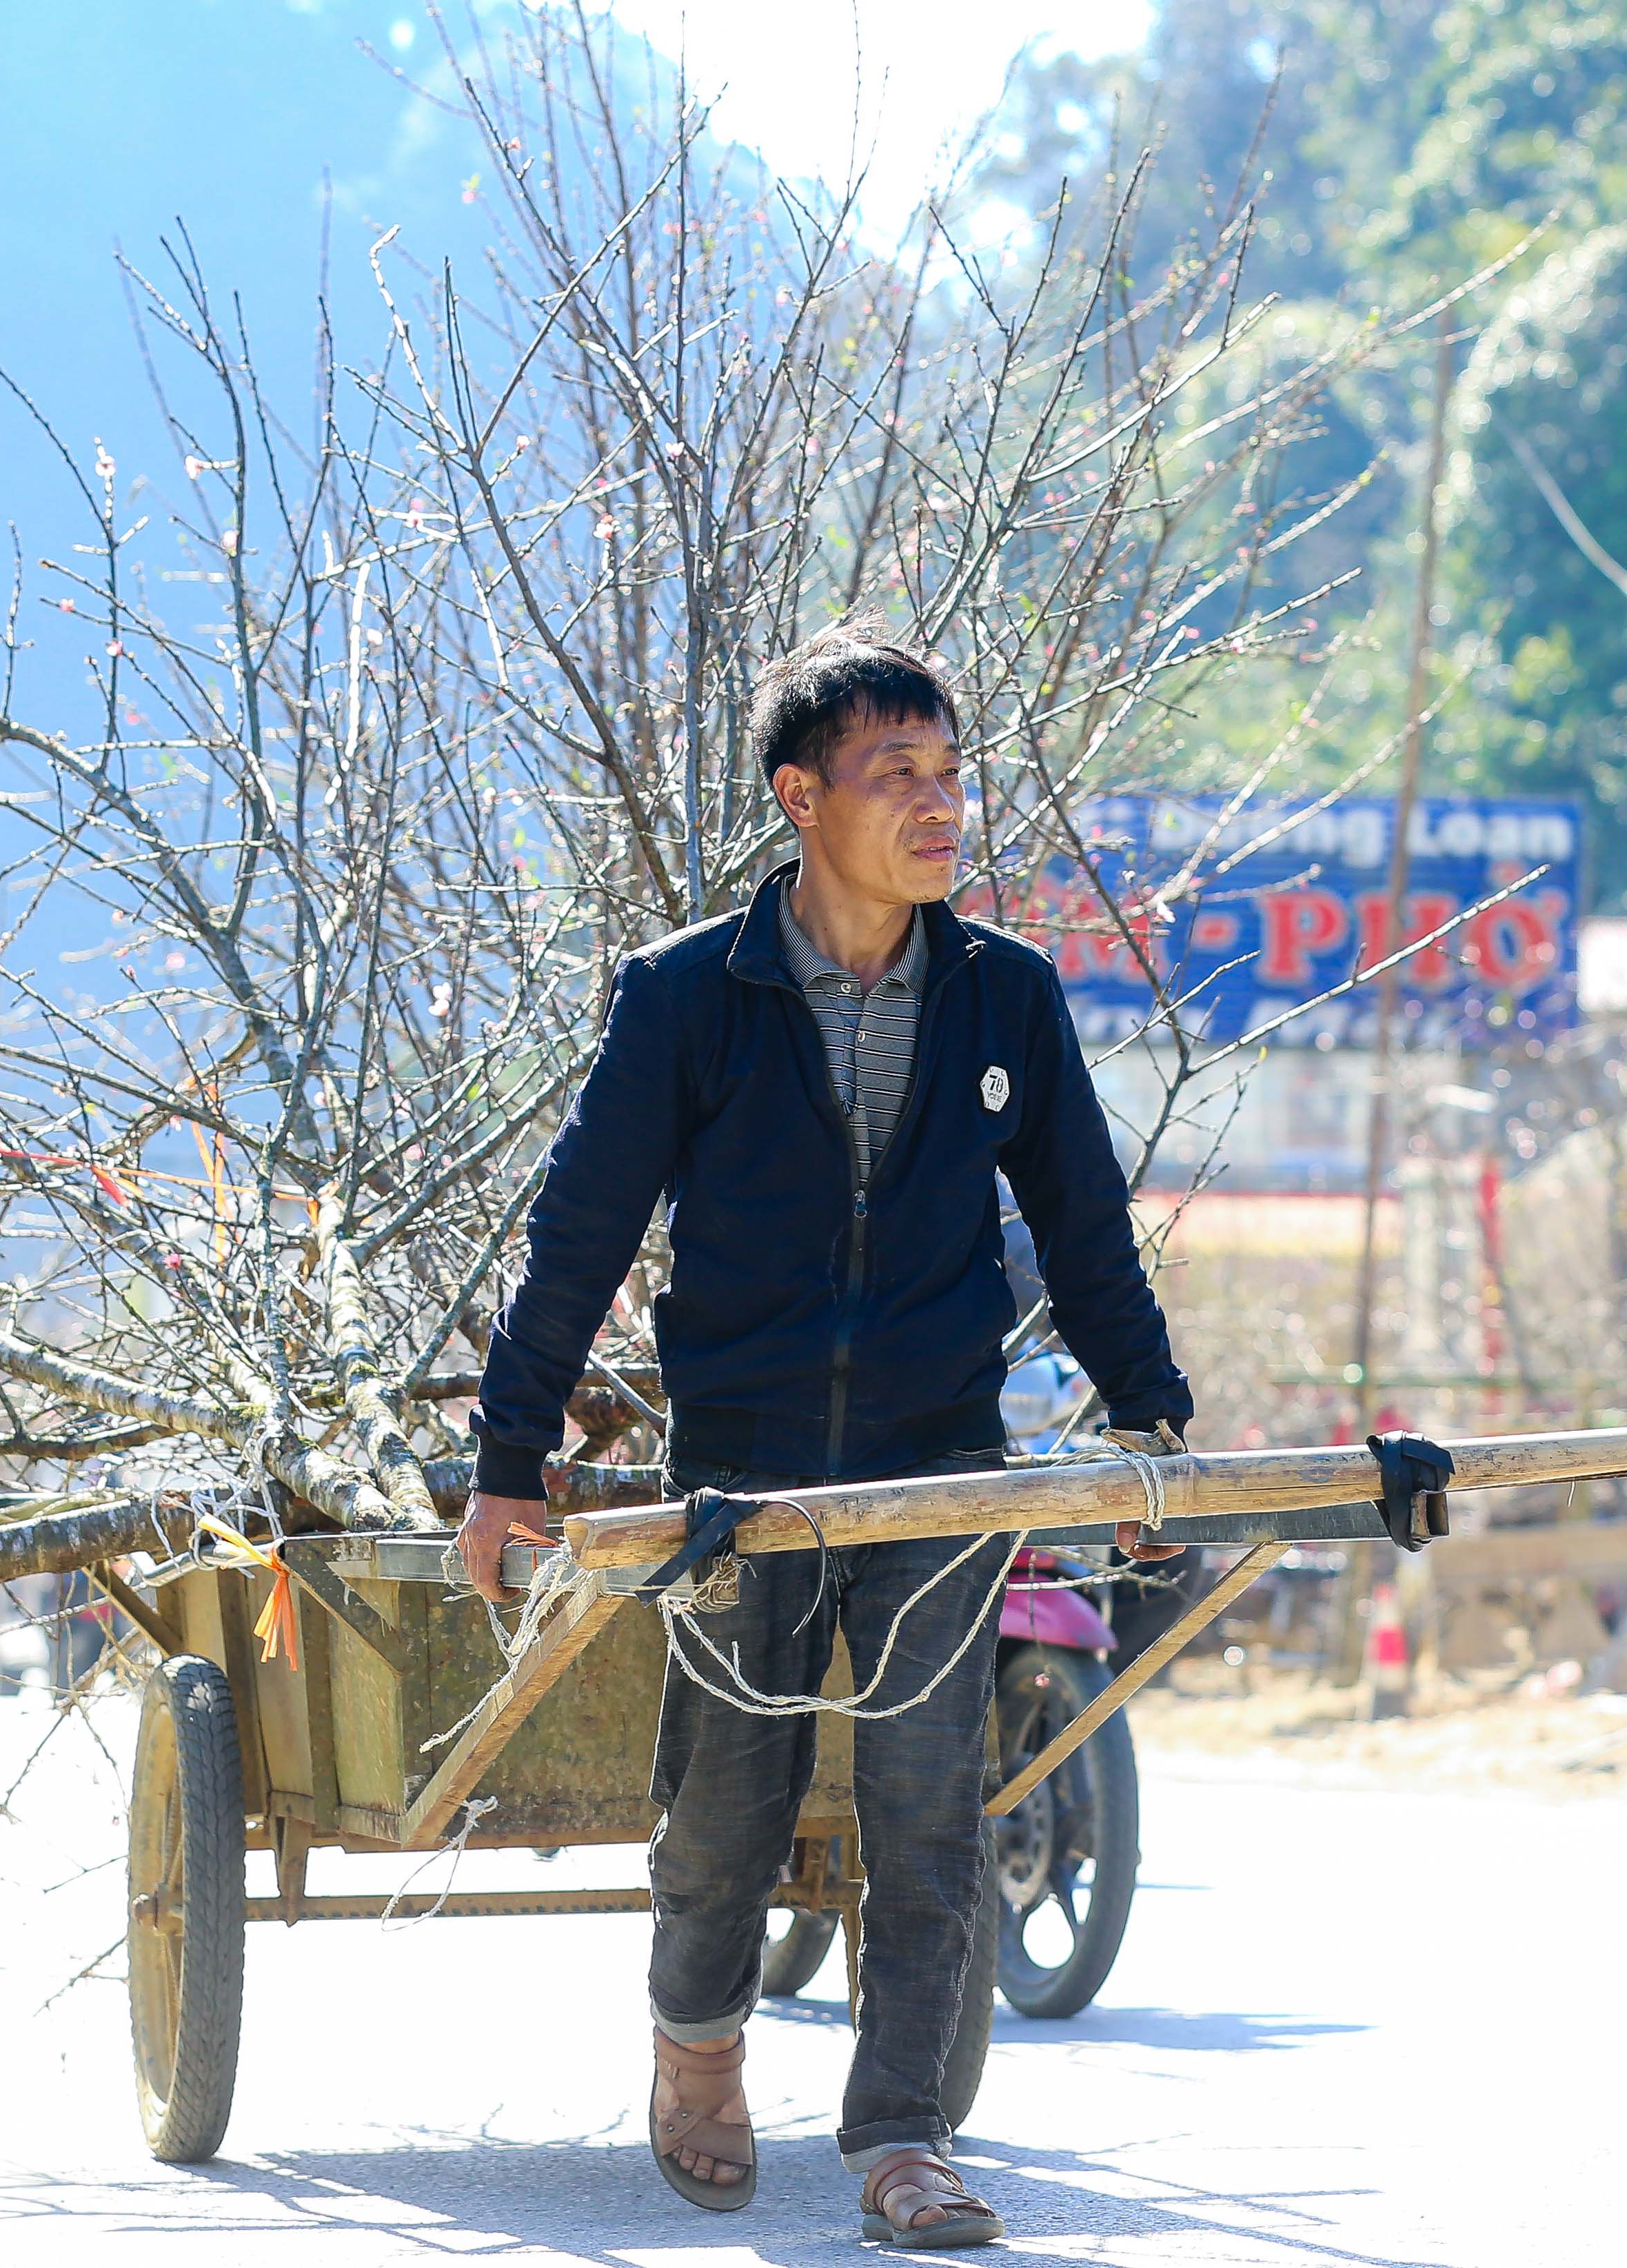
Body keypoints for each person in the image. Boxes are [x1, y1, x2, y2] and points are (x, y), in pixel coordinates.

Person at [456, 625, 1194, 2249]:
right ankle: (698, 2038)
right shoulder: (686, 1000)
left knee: (929, 1806)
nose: (940, 806)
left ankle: (902, 2134)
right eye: (896, 775)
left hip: (935, 1464)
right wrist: (510, 1458)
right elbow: (575, 1235)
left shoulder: (1000, 991)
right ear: (801, 796)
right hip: (737, 1471)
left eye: (949, 772)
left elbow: (1081, 1224)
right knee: (725, 1793)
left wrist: (1150, 1421)